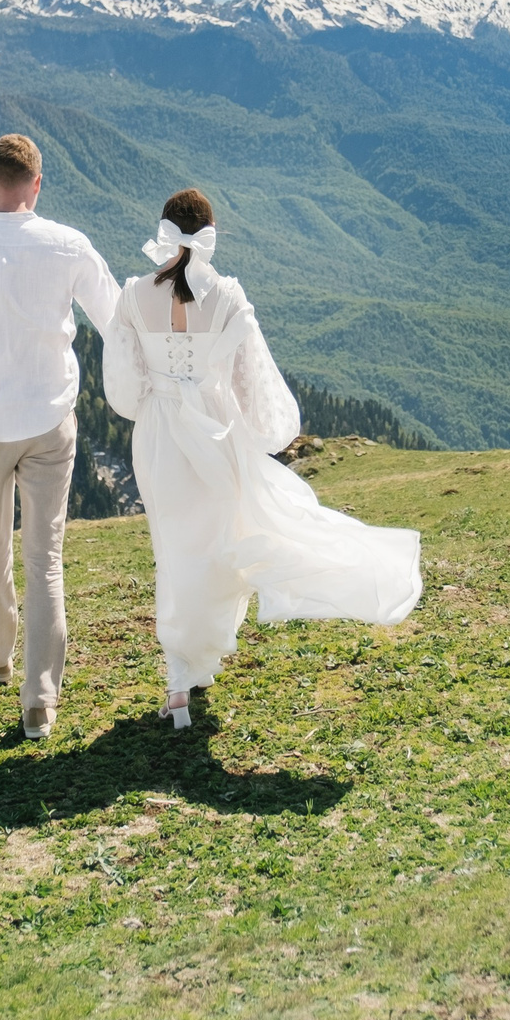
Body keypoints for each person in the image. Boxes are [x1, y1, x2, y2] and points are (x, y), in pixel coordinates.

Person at [103, 188, 422, 728]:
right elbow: (255, 381)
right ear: (209, 234)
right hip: (216, 433)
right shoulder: (227, 296)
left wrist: (160, 395)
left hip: (159, 434)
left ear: (164, 231)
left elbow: (125, 387)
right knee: (220, 541)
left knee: (174, 549)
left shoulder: (133, 295)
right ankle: (199, 659)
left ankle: (182, 676)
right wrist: (260, 433)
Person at [0, 133, 119, 741]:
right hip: (50, 419)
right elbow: (115, 321)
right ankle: (40, 701)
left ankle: (0, 658)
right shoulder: (69, 246)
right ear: (37, 184)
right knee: (46, 559)